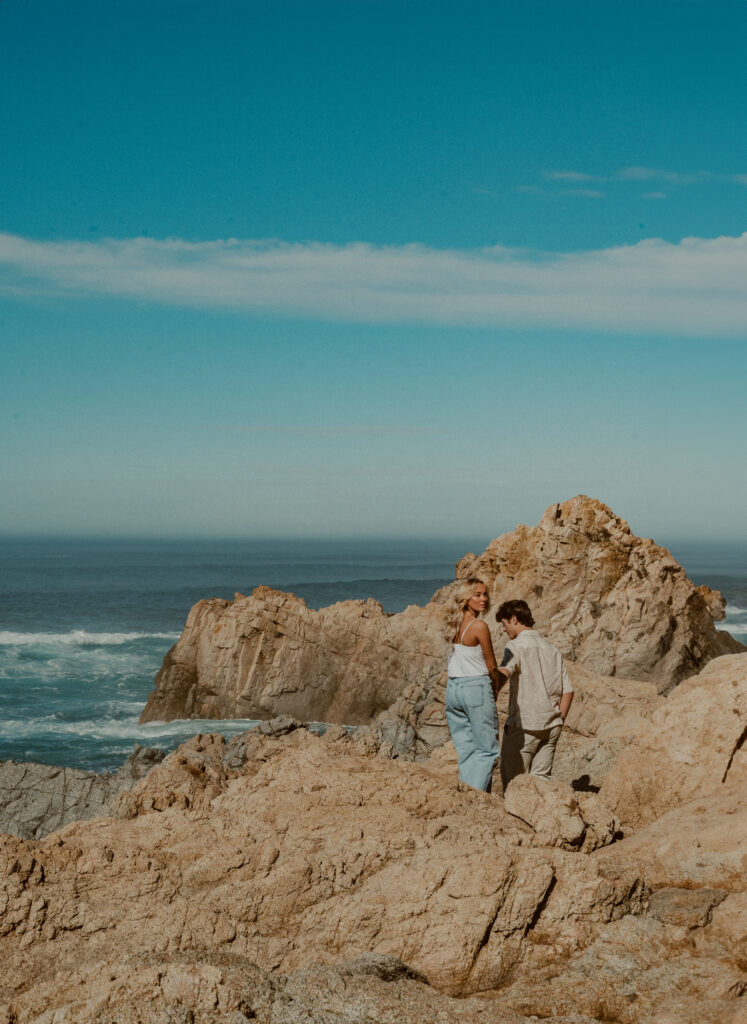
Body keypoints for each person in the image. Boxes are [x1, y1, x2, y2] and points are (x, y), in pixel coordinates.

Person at [495, 599, 574, 790]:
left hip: (524, 726)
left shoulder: (515, 646)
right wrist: (559, 719)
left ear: (514, 619)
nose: (504, 630)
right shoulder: (552, 649)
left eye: (504, 624)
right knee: (542, 785)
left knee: (513, 785)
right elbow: (568, 691)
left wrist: (488, 689)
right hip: (552, 726)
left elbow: (504, 673)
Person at [444, 578, 506, 791]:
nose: (483, 599)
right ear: (466, 598)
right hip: (475, 688)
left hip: (453, 688)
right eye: (477, 594)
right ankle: (476, 798)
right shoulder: (479, 625)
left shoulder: (454, 624)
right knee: (487, 750)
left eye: (485, 594)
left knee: (466, 748)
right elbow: (492, 666)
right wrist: (495, 688)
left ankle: (465, 791)